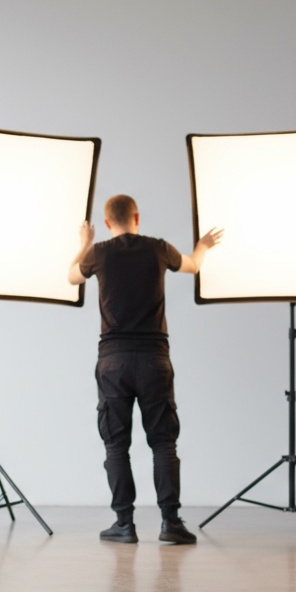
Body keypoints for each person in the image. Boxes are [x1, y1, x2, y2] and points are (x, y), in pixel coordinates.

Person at [68, 194, 222, 545]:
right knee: (163, 443)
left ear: (108, 223)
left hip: (113, 361)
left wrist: (84, 243)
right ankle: (171, 524)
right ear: (137, 217)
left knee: (116, 446)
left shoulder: (99, 252)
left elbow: (70, 278)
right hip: (154, 359)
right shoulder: (158, 249)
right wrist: (203, 245)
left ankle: (124, 524)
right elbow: (194, 266)